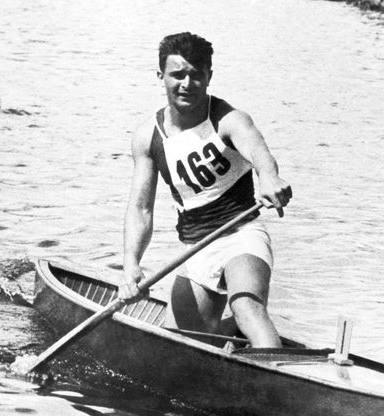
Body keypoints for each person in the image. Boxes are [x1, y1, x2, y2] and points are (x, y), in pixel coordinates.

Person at [118, 32, 292, 348]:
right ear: (160, 76)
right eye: (177, 75)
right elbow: (141, 209)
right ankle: (232, 337)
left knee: (246, 307)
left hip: (242, 234)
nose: (187, 84)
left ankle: (275, 370)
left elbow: (260, 155)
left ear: (209, 76)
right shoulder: (147, 137)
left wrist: (269, 179)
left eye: (196, 75)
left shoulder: (229, 119)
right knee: (179, 346)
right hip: (196, 248)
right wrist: (131, 265)